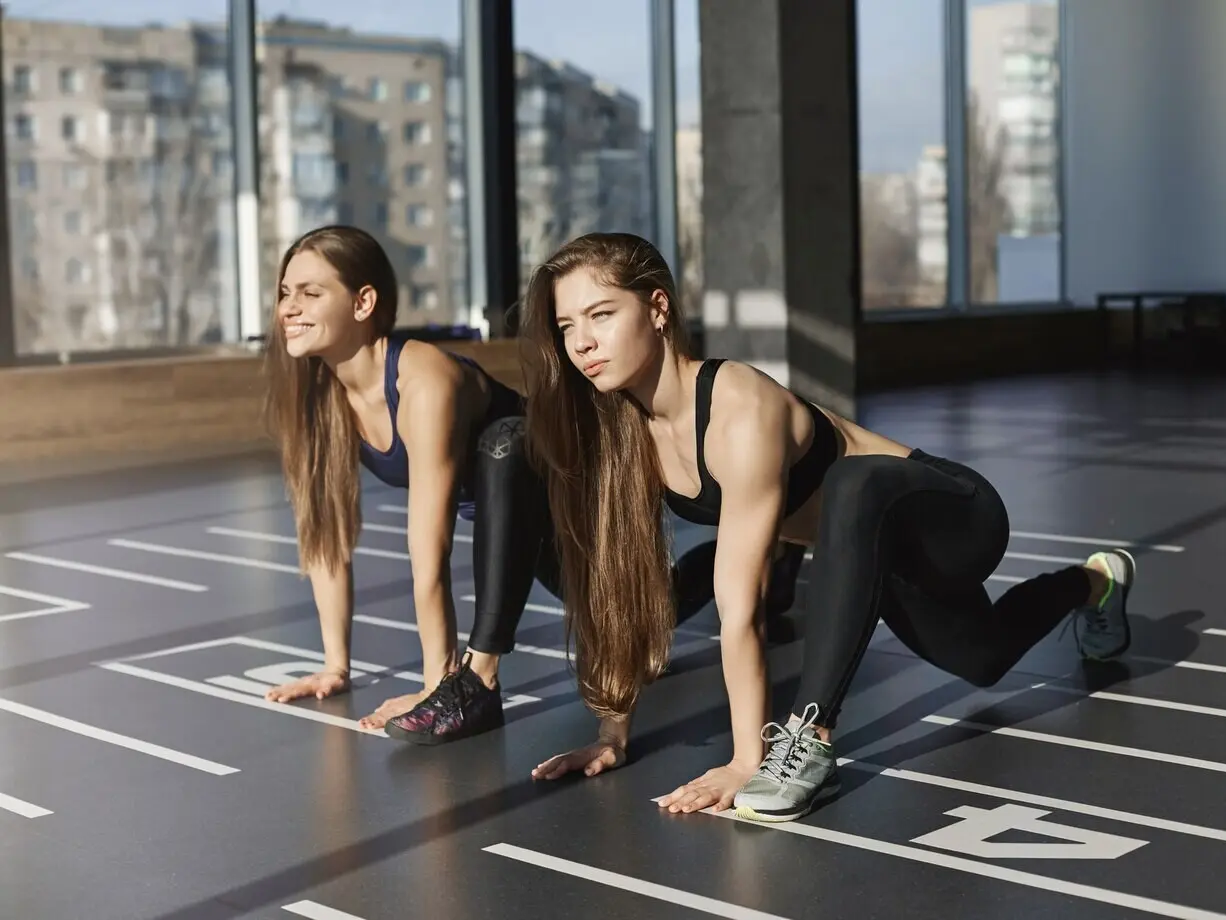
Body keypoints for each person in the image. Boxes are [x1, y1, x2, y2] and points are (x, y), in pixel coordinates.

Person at [519, 232, 1135, 821]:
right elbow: (626, 589)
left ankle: (809, 738)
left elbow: (742, 608)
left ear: (657, 308)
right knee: (985, 657)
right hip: (875, 561)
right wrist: (612, 733)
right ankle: (1095, 583)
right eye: (568, 326)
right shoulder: (627, 438)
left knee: (852, 479)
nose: (582, 343)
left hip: (955, 521)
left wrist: (744, 761)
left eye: (600, 314)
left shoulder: (739, 409)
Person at [261, 225, 804, 745]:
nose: (288, 308)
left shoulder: (421, 379)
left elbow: (430, 547)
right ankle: (772, 558)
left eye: (309, 293)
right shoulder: (318, 399)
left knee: (507, 443)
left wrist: (437, 685)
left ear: (363, 303)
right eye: (286, 293)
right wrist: (336, 664)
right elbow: (325, 535)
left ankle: (480, 679)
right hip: (514, 531)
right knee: (657, 607)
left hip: (568, 490)